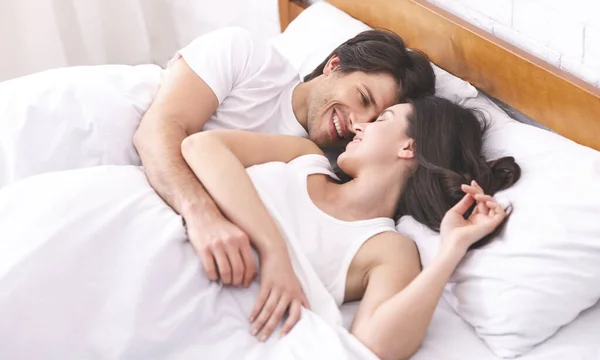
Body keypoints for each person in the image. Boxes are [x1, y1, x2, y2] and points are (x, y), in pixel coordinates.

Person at [179, 95, 521, 358]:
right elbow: (201, 145)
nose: (359, 126)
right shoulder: (302, 155)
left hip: (197, 292)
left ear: (408, 147)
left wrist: (451, 250)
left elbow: (374, 346)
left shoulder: (387, 248)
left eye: (381, 119)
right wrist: (274, 251)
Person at [133, 27, 436, 293]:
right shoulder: (249, 59)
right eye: (363, 98)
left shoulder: (330, 167)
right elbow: (156, 132)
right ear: (334, 65)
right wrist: (203, 218)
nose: (358, 123)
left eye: (375, 119)